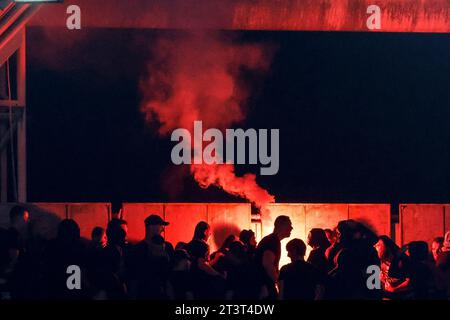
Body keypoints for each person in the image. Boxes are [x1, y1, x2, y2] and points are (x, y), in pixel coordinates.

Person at [130, 214, 173, 299]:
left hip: (163, 294)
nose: (163, 229)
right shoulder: (139, 249)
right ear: (151, 227)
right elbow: (134, 276)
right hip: (145, 293)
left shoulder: (168, 247)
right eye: (161, 226)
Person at [255, 215, 293, 299]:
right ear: (281, 225)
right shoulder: (272, 241)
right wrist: (278, 281)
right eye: (289, 225)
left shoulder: (271, 240)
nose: (291, 228)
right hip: (265, 289)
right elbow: (267, 264)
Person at [374, 235, 411, 299]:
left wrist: (395, 289)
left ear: (387, 247)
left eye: (378, 245)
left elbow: (410, 282)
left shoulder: (401, 261)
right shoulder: (380, 261)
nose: (375, 248)